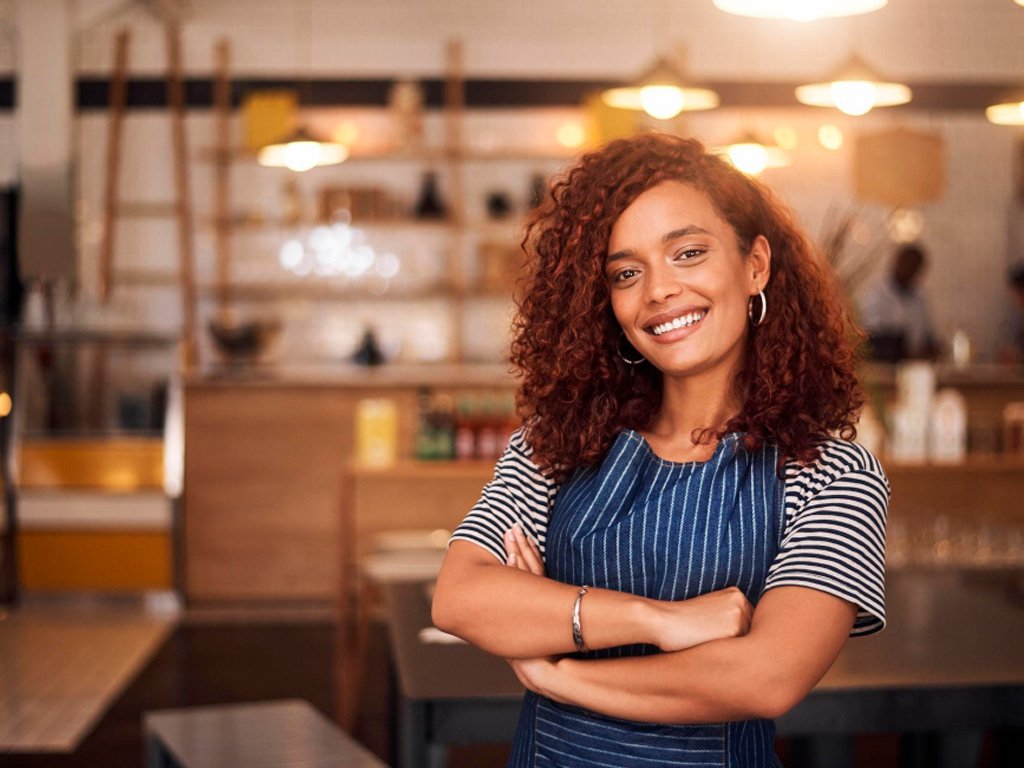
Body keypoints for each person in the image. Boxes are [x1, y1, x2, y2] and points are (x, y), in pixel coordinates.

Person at [432, 133, 889, 767]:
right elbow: (461, 598)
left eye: (688, 253)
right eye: (626, 272)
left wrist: (560, 672)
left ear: (755, 264)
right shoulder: (558, 442)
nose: (659, 291)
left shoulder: (832, 472)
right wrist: (660, 621)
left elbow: (766, 677)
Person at [857, 243, 939, 361]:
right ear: (897, 262)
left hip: (915, 365)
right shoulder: (877, 295)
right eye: (908, 264)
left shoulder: (920, 298)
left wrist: (932, 347)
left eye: (915, 267)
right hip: (886, 367)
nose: (910, 270)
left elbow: (927, 335)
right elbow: (873, 335)